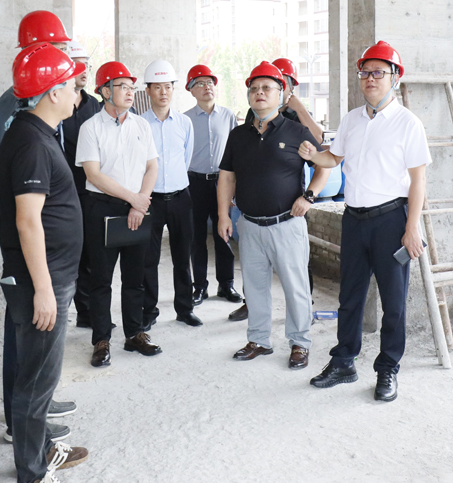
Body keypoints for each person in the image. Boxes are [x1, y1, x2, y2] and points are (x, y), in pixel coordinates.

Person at [302, 41, 431, 403]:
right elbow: (334, 159)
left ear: (395, 78)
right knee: (350, 296)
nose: (370, 79)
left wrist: (411, 228)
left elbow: (418, 181)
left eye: (379, 72)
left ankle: (388, 368)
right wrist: (314, 155)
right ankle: (344, 361)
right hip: (354, 220)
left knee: (394, 303)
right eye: (365, 72)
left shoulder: (408, 124)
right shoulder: (351, 120)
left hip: (391, 220)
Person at [0, 10, 76, 444]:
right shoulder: (19, 107)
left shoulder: (35, 102)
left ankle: (35, 406)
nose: (65, 54)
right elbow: (4, 171)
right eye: (59, 46)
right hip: (28, 237)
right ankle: (22, 425)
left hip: (37, 230)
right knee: (27, 329)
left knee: (36, 337)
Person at [0, 42, 89, 483]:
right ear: (53, 92)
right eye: (72, 86)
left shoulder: (34, 132)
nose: (77, 94)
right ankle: (32, 471)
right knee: (36, 382)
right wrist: (45, 290)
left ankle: (43, 449)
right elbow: (27, 221)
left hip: (47, 274)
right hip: (42, 279)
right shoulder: (32, 141)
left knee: (35, 374)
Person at [217, 62, 329, 371]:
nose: (260, 93)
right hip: (249, 224)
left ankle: (300, 342)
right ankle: (259, 340)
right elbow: (227, 176)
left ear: (281, 94)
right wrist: (224, 215)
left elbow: (324, 166)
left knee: (295, 287)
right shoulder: (238, 135)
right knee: (254, 287)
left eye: (267, 88)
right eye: (254, 89)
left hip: (286, 224)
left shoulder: (297, 132)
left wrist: (309, 197)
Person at [76, 61, 162, 367]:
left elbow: (152, 166)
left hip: (138, 206)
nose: (129, 92)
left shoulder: (141, 125)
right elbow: (93, 174)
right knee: (100, 280)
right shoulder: (90, 127)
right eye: (122, 86)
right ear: (104, 91)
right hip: (102, 208)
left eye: (131, 87)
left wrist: (141, 201)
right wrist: (133, 199)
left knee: (135, 277)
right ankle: (101, 339)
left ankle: (134, 333)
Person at [140, 60, 201, 330]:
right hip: (150, 199)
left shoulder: (184, 123)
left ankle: (184, 309)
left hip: (180, 198)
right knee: (148, 259)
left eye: (168, 87)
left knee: (182, 257)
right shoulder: (139, 124)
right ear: (148, 91)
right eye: (157, 87)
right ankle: (148, 311)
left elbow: (186, 158)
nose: (163, 92)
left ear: (173, 89)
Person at [182, 65, 243, 318]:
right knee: (197, 237)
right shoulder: (184, 119)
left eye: (210, 82)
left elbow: (236, 153)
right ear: (191, 90)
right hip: (194, 182)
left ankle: (226, 284)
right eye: (200, 83)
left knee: (224, 234)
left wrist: (235, 188)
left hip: (222, 182)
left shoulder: (228, 116)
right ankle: (199, 287)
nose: (207, 87)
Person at [60, 41, 102, 329]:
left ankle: (88, 313)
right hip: (61, 193)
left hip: (91, 191)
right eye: (78, 64)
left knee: (91, 254)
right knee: (67, 255)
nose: (84, 70)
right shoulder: (55, 104)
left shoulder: (96, 107)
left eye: (87, 64)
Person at [243, 57, 324, 145]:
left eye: (282, 83)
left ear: (291, 87)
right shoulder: (254, 112)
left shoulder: (299, 114)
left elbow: (318, 139)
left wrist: (300, 109)